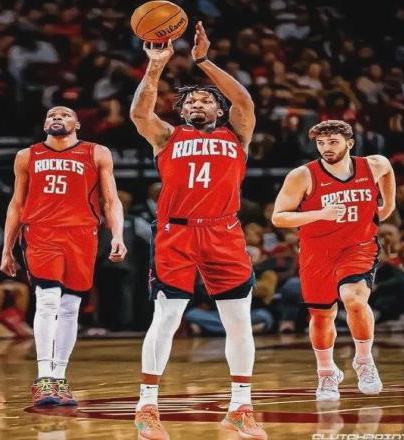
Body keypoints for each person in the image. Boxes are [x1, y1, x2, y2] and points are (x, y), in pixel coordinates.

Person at [130, 22, 267, 440]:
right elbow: (140, 113)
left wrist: (204, 61)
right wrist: (156, 65)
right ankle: (146, 407)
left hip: (224, 232)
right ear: (182, 112)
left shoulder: (237, 134)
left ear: (219, 111)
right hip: (177, 234)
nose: (197, 104)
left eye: (206, 100)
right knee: (167, 317)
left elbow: (243, 99)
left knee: (238, 322)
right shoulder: (168, 137)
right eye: (190, 101)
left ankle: (240, 407)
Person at [0, 106, 126, 406]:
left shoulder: (97, 152)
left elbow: (111, 200)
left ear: (77, 124)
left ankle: (59, 377)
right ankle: (43, 377)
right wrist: (7, 248)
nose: (57, 117)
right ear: (45, 123)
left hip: (82, 234)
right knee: (47, 299)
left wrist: (117, 235)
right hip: (42, 232)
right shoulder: (27, 155)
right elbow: (17, 204)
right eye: (51, 115)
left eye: (65, 115)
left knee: (70, 307)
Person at [272, 120, 396, 401]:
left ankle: (364, 361)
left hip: (358, 247)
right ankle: (327, 372)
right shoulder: (302, 175)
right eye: (321, 143)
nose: (326, 148)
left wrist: (388, 205)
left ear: (350, 143)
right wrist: (320, 214)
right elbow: (279, 217)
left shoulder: (372, 165)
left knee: (354, 298)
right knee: (321, 315)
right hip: (317, 253)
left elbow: (388, 169)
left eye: (333, 142)